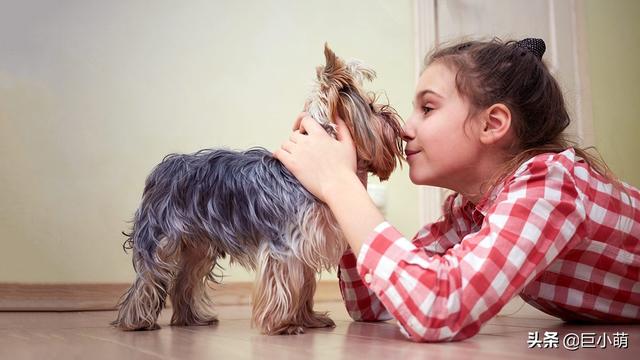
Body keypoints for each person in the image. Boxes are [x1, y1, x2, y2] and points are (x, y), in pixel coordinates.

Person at [274, 38, 640, 342]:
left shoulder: (550, 185)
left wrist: (337, 183)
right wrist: (352, 177)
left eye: (427, 108)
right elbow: (371, 304)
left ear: (492, 124)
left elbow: (439, 306)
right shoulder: (470, 212)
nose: (405, 128)